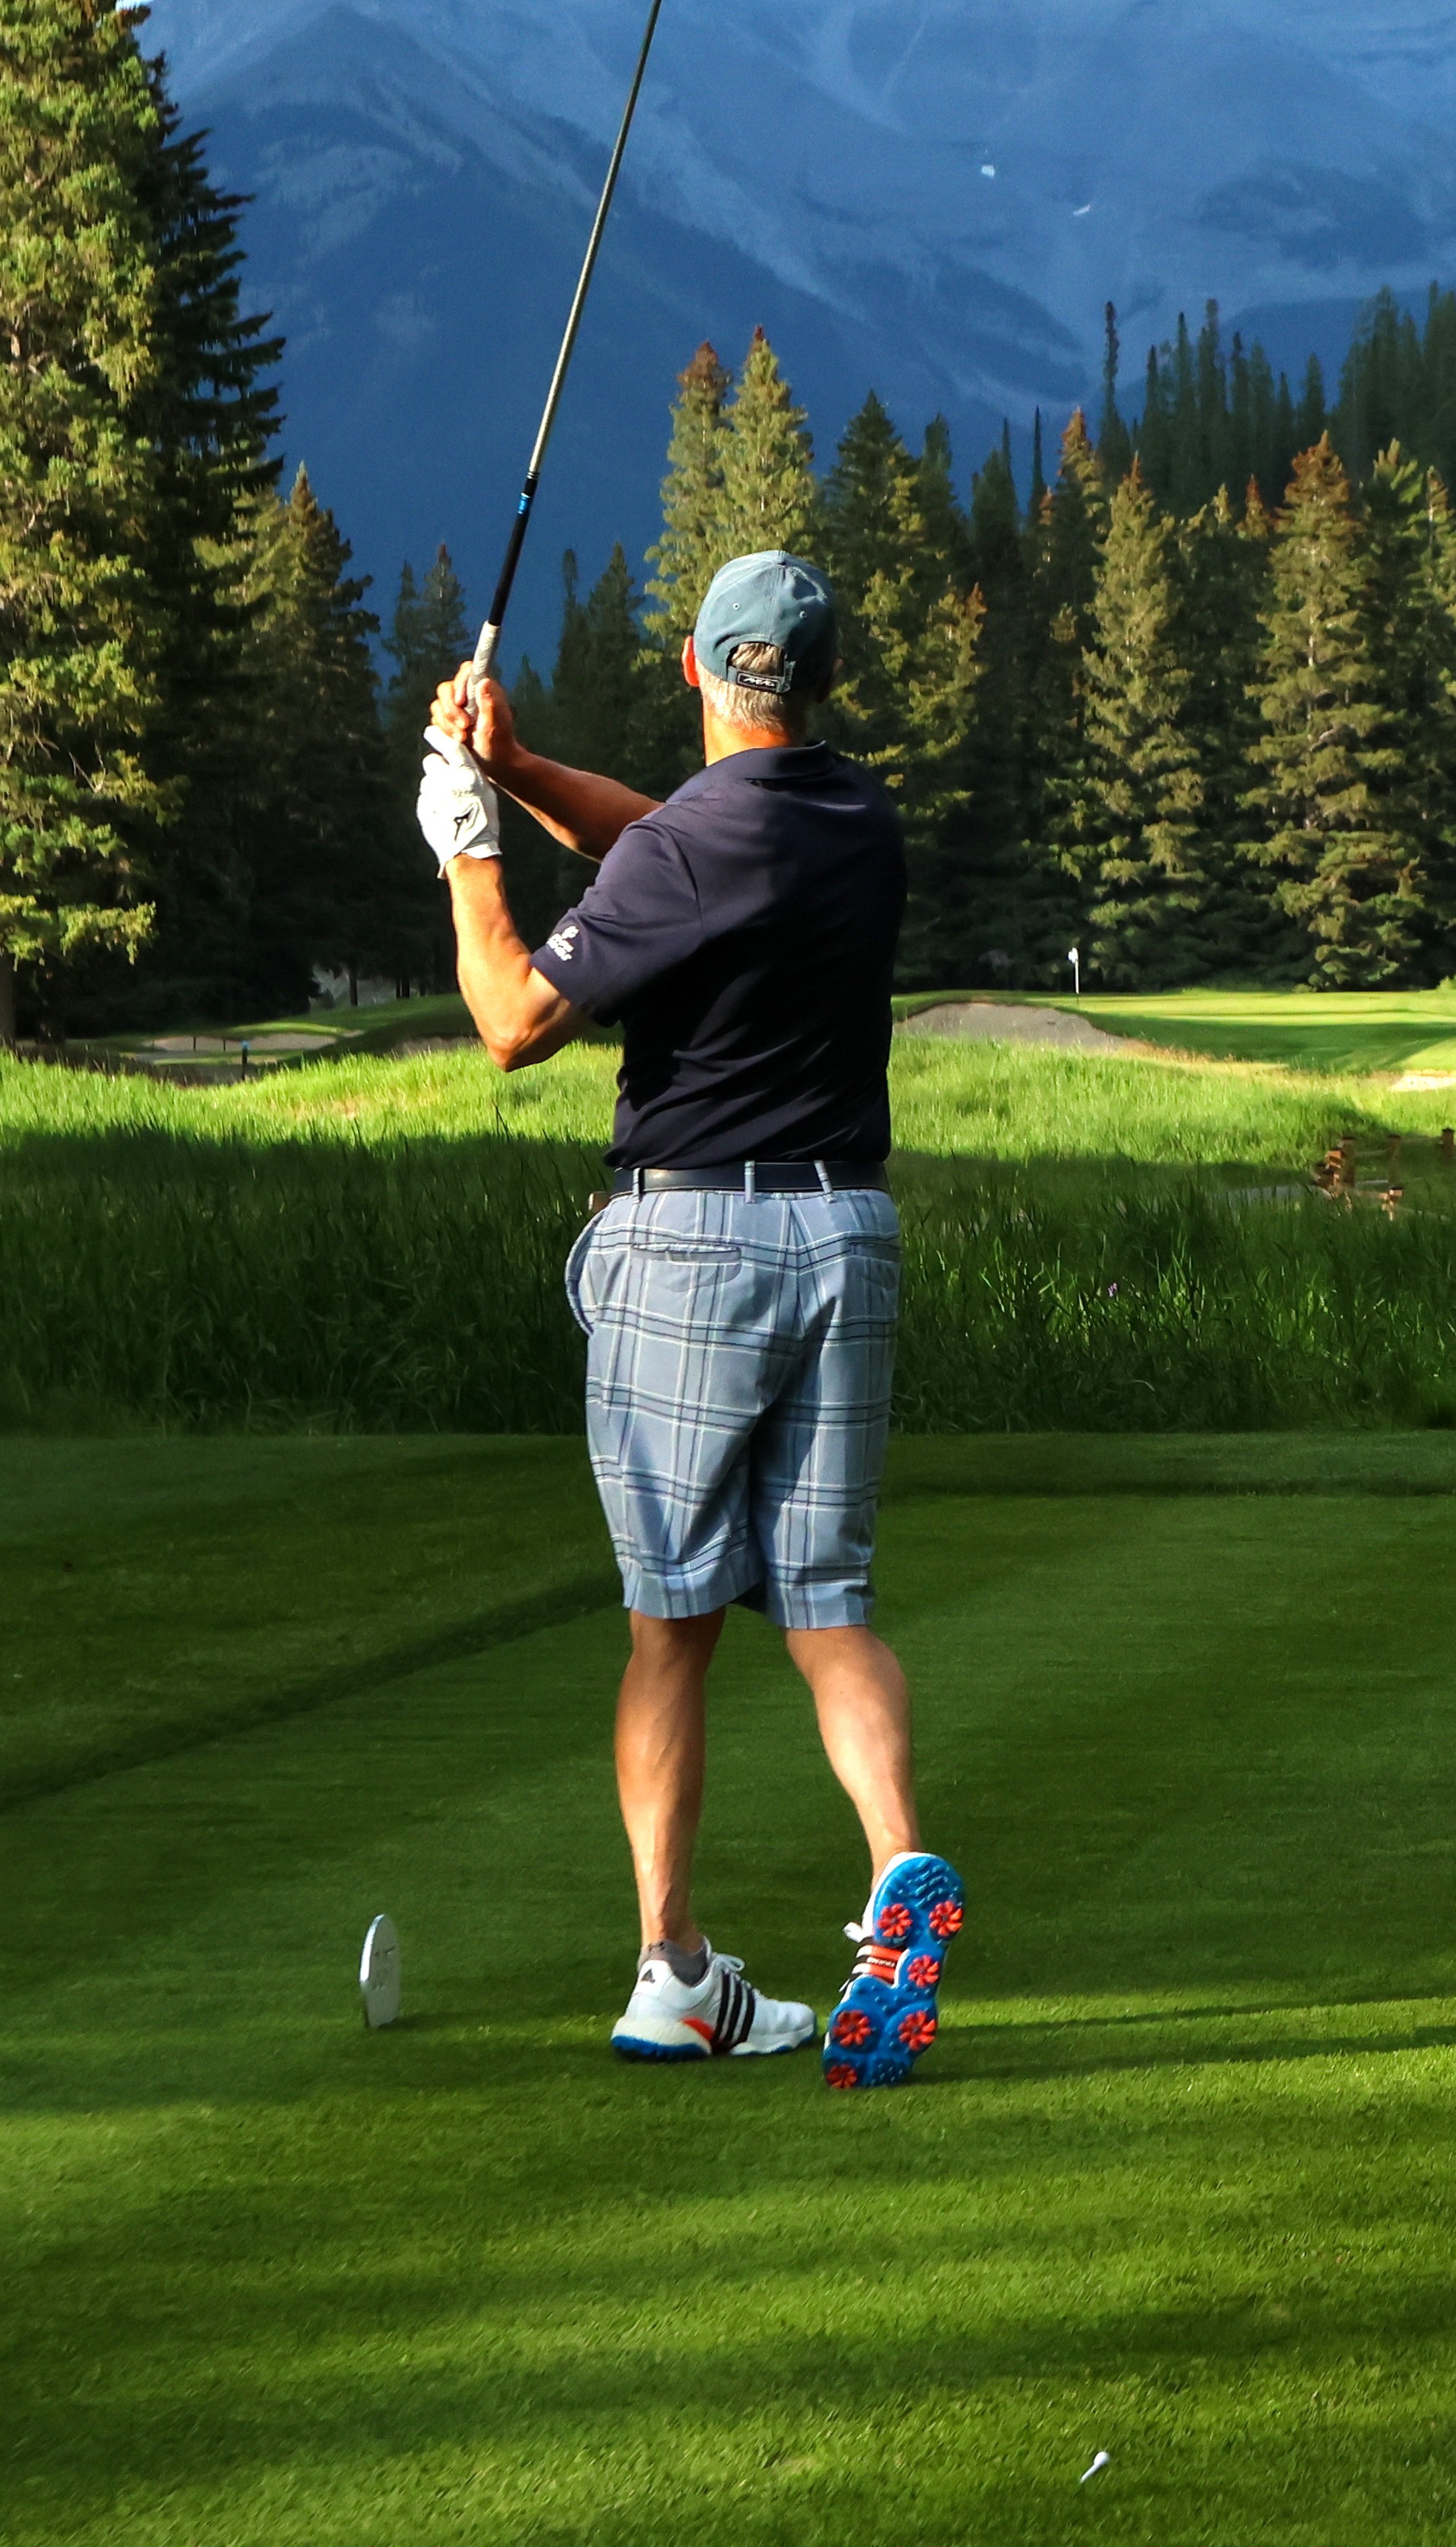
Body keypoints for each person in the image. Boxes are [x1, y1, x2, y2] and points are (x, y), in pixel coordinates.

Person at [414, 549, 966, 2086]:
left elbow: (516, 1022)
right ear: (823, 675)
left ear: (692, 669)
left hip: (692, 1246)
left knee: (671, 1627)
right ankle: (896, 1867)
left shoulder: (684, 850)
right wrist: (518, 764)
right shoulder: (858, 819)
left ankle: (671, 1968)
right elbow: (674, 839)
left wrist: (470, 842)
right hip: (846, 1231)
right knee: (828, 1605)